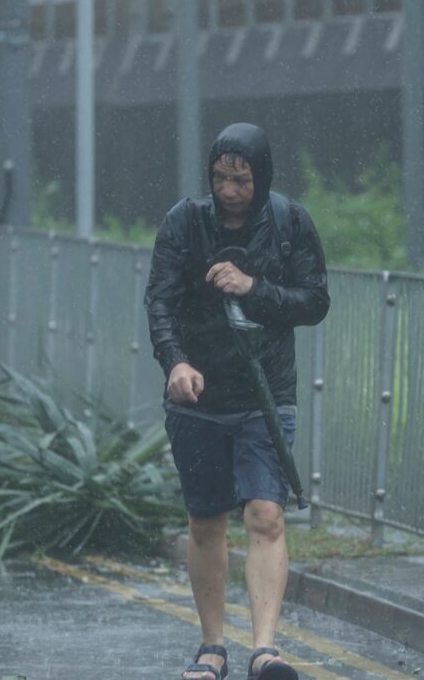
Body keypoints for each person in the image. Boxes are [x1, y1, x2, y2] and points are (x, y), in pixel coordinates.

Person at [145, 122, 330, 680]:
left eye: (242, 180)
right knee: (206, 521)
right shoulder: (184, 223)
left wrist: (254, 288)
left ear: (262, 178)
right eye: (221, 178)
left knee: (266, 515)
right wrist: (175, 362)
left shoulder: (291, 223)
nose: (229, 190)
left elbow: (315, 301)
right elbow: (160, 301)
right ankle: (212, 647)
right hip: (197, 397)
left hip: (266, 395)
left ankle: (265, 650)